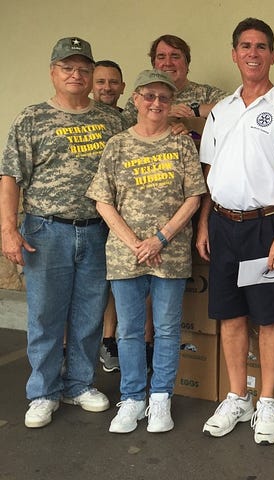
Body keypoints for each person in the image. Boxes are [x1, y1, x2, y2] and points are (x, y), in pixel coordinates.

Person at [0, 37, 126, 428]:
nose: (76, 74)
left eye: (83, 69)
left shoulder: (112, 120)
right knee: (45, 316)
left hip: (96, 231)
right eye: (68, 68)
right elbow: (10, 176)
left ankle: (78, 384)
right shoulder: (32, 118)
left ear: (92, 75)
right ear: (53, 72)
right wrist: (7, 229)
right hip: (45, 230)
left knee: (89, 314)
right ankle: (42, 391)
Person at [196, 17, 274, 445]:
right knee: (230, 314)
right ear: (234, 54)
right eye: (245, 46)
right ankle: (236, 396)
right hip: (224, 225)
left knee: (269, 317)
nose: (252, 53)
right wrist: (205, 221)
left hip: (266, 226)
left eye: (261, 46)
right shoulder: (221, 112)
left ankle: (267, 403)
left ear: (272, 56)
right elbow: (210, 171)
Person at [87, 69, 206, 434]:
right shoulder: (118, 144)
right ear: (135, 99)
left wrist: (160, 239)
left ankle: (159, 400)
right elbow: (102, 200)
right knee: (129, 330)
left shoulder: (181, 143)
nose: (157, 103)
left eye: (164, 98)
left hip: (168, 254)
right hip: (126, 256)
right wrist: (135, 243)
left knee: (167, 329)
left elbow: (194, 196)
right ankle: (132, 398)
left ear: (171, 105)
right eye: (150, 96)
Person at [92, 59, 126, 373]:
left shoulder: (127, 117)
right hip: (85, 216)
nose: (107, 88)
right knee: (81, 286)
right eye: (100, 81)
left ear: (123, 88)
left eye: (113, 82)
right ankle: (65, 350)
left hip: (120, 216)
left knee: (115, 280)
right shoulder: (80, 117)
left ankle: (108, 340)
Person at [122, 34, 228, 126]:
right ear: (154, 64)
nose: (168, 63)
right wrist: (163, 112)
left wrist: (193, 111)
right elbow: (123, 131)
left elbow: (236, 107)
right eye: (161, 57)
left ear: (187, 63)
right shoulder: (141, 98)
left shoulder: (205, 94)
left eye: (175, 56)